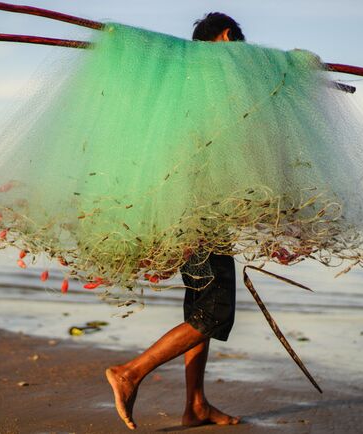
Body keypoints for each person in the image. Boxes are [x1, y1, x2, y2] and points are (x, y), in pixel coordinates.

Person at [105, 13, 245, 430]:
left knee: (200, 308)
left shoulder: (185, 84)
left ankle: (196, 405)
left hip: (193, 211)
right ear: (226, 37)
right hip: (198, 214)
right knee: (215, 313)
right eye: (237, 46)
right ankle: (130, 373)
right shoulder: (212, 83)